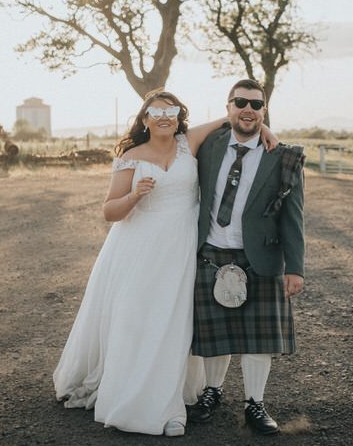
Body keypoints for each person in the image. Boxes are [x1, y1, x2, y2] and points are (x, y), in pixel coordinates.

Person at [53, 89, 276, 437]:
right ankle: (135, 395)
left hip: (183, 249)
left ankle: (168, 393)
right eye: (156, 112)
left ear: (178, 117)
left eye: (170, 111)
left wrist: (266, 129)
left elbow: (233, 118)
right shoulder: (131, 156)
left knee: (176, 322)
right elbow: (110, 211)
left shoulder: (189, 143)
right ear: (144, 119)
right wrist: (134, 194)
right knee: (137, 318)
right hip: (139, 249)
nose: (164, 117)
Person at [187, 79, 306, 436]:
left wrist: (295, 268)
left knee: (259, 341)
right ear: (227, 107)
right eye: (240, 102)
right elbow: (178, 137)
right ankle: (212, 392)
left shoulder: (282, 156)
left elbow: (293, 215)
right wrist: (234, 124)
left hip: (261, 258)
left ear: (264, 110)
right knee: (214, 336)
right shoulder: (208, 147)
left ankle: (255, 402)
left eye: (256, 104)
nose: (248, 109)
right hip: (210, 252)